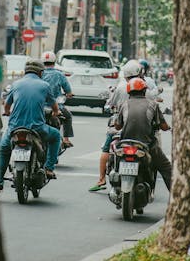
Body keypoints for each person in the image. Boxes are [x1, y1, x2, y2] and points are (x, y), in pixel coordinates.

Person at [0, 58, 61, 196]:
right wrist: (56, 113)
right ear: (40, 72)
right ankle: (49, 168)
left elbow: (7, 106)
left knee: (3, 150)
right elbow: (54, 106)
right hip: (37, 128)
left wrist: (7, 112)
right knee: (55, 136)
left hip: (14, 129)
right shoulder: (44, 85)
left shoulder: (16, 84)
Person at [88, 59, 142, 192]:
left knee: (106, 149)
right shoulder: (144, 85)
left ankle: (101, 179)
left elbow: (111, 103)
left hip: (120, 126)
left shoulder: (121, 87)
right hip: (140, 128)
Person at [115, 77, 172, 191]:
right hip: (146, 145)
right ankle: (177, 198)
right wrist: (169, 127)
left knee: (113, 157)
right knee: (166, 168)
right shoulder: (153, 104)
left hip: (125, 144)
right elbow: (164, 126)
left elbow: (118, 126)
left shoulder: (124, 104)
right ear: (145, 91)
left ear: (129, 91)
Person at [41, 50, 75, 147]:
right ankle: (66, 139)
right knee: (68, 117)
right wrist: (69, 94)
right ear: (54, 62)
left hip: (40, 106)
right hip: (56, 107)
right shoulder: (59, 74)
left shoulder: (40, 73)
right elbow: (68, 90)